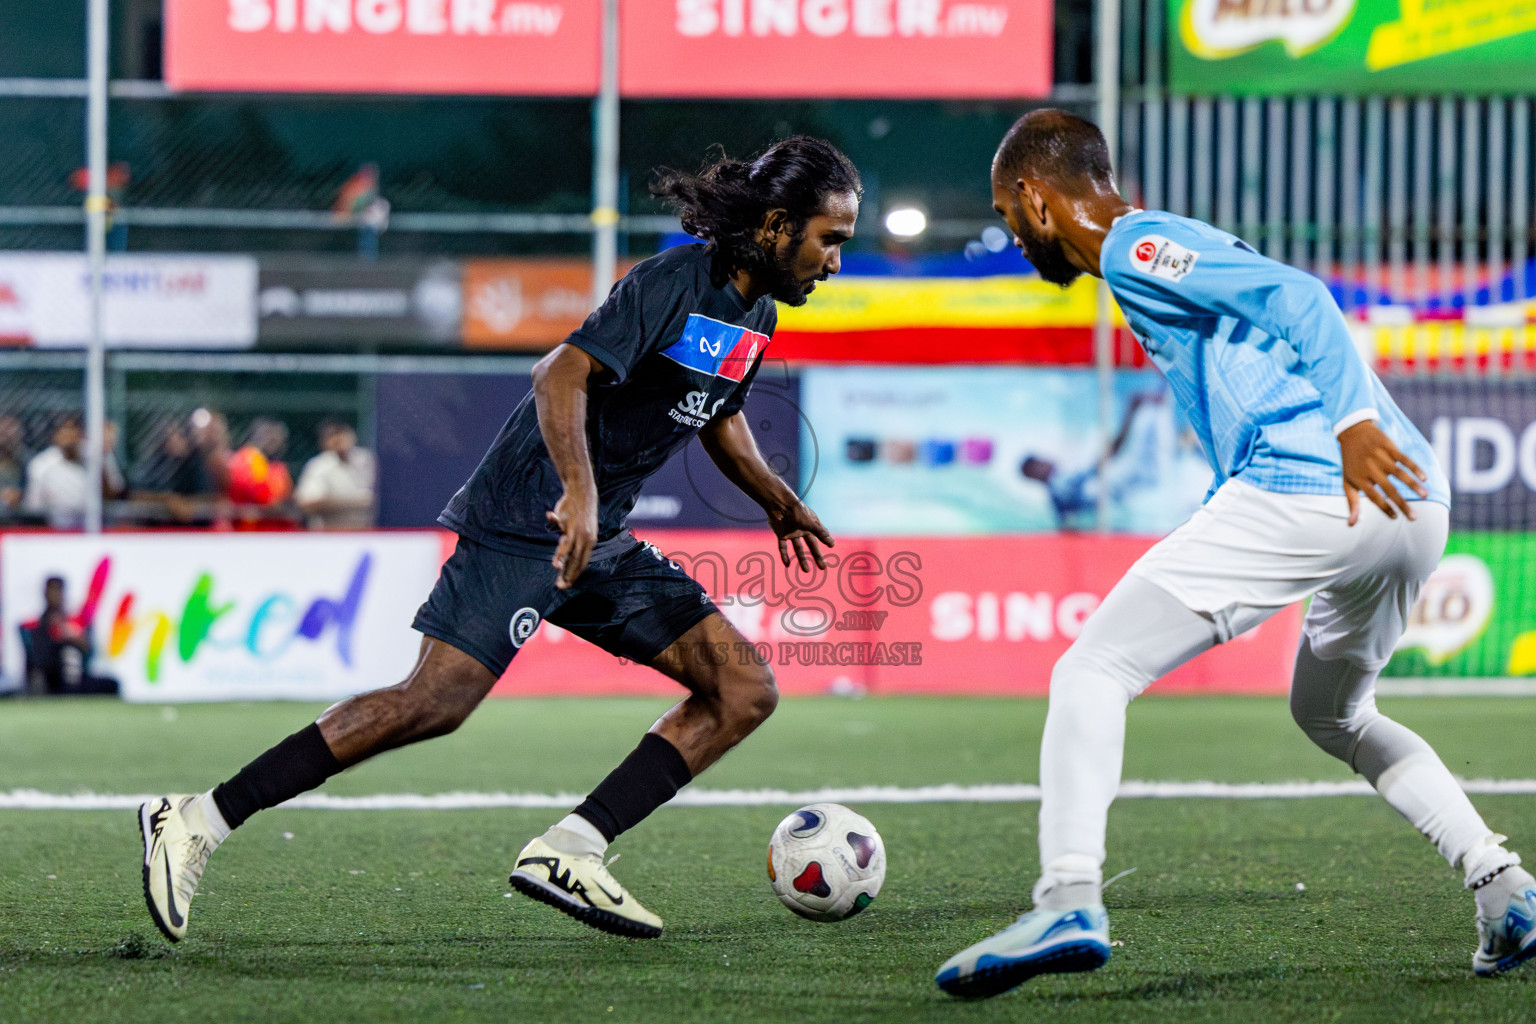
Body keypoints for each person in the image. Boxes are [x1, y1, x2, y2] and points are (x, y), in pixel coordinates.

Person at [137, 135, 861, 946]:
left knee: (742, 688)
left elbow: (718, 412)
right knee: (433, 703)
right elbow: (559, 372)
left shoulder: (754, 314)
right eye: (829, 238)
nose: (835, 262)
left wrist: (777, 499)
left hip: (598, 534)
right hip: (531, 515)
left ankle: (571, 849)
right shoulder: (673, 281)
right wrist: (580, 496)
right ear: (773, 225)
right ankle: (195, 819)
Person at [935, 109, 1536, 998]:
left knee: (1092, 669)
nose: (1013, 237)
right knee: (1335, 714)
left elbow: (1300, 298)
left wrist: (1351, 423)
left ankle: (1067, 895)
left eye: (1005, 212)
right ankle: (1502, 888)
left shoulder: (1138, 245)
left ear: (1034, 196)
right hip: (1413, 504)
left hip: (1321, 482)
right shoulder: (1157, 255)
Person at [22, 415, 123, 529]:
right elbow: (33, 506)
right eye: (64, 430)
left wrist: (101, 458)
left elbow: (114, 493)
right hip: (56, 529)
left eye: (73, 429)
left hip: (96, 525)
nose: (68, 435)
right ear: (55, 435)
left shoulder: (95, 453)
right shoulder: (41, 464)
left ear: (80, 434)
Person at [23, 576, 118, 695]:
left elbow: (89, 651)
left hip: (77, 678)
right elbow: (37, 658)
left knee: (112, 684)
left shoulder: (75, 622)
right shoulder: (35, 625)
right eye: (51, 590)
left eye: (58, 590)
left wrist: (71, 637)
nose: (54, 595)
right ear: (45, 593)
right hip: (53, 678)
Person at [292, 419, 375, 530]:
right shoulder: (319, 466)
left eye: (342, 434)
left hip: (366, 534)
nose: (339, 440)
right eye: (333, 436)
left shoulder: (366, 460)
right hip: (330, 537)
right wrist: (354, 502)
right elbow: (308, 504)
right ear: (324, 442)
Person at [227, 417, 294, 508]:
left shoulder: (278, 467)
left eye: (277, 436)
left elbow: (287, 495)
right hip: (250, 520)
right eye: (268, 434)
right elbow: (260, 496)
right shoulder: (246, 458)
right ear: (256, 435)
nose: (273, 439)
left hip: (275, 519)